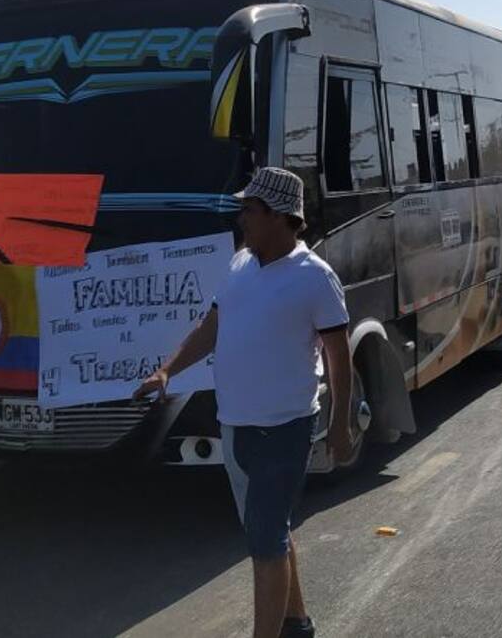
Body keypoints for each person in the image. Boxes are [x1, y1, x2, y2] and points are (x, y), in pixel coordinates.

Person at [135, 167, 353, 638]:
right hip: (234, 425)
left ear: (278, 216)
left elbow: (339, 355)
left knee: (264, 543)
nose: (241, 220)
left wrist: (340, 423)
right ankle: (296, 622)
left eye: (249, 211)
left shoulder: (315, 278)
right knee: (269, 530)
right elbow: (210, 327)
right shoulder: (238, 265)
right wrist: (168, 368)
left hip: (285, 428)